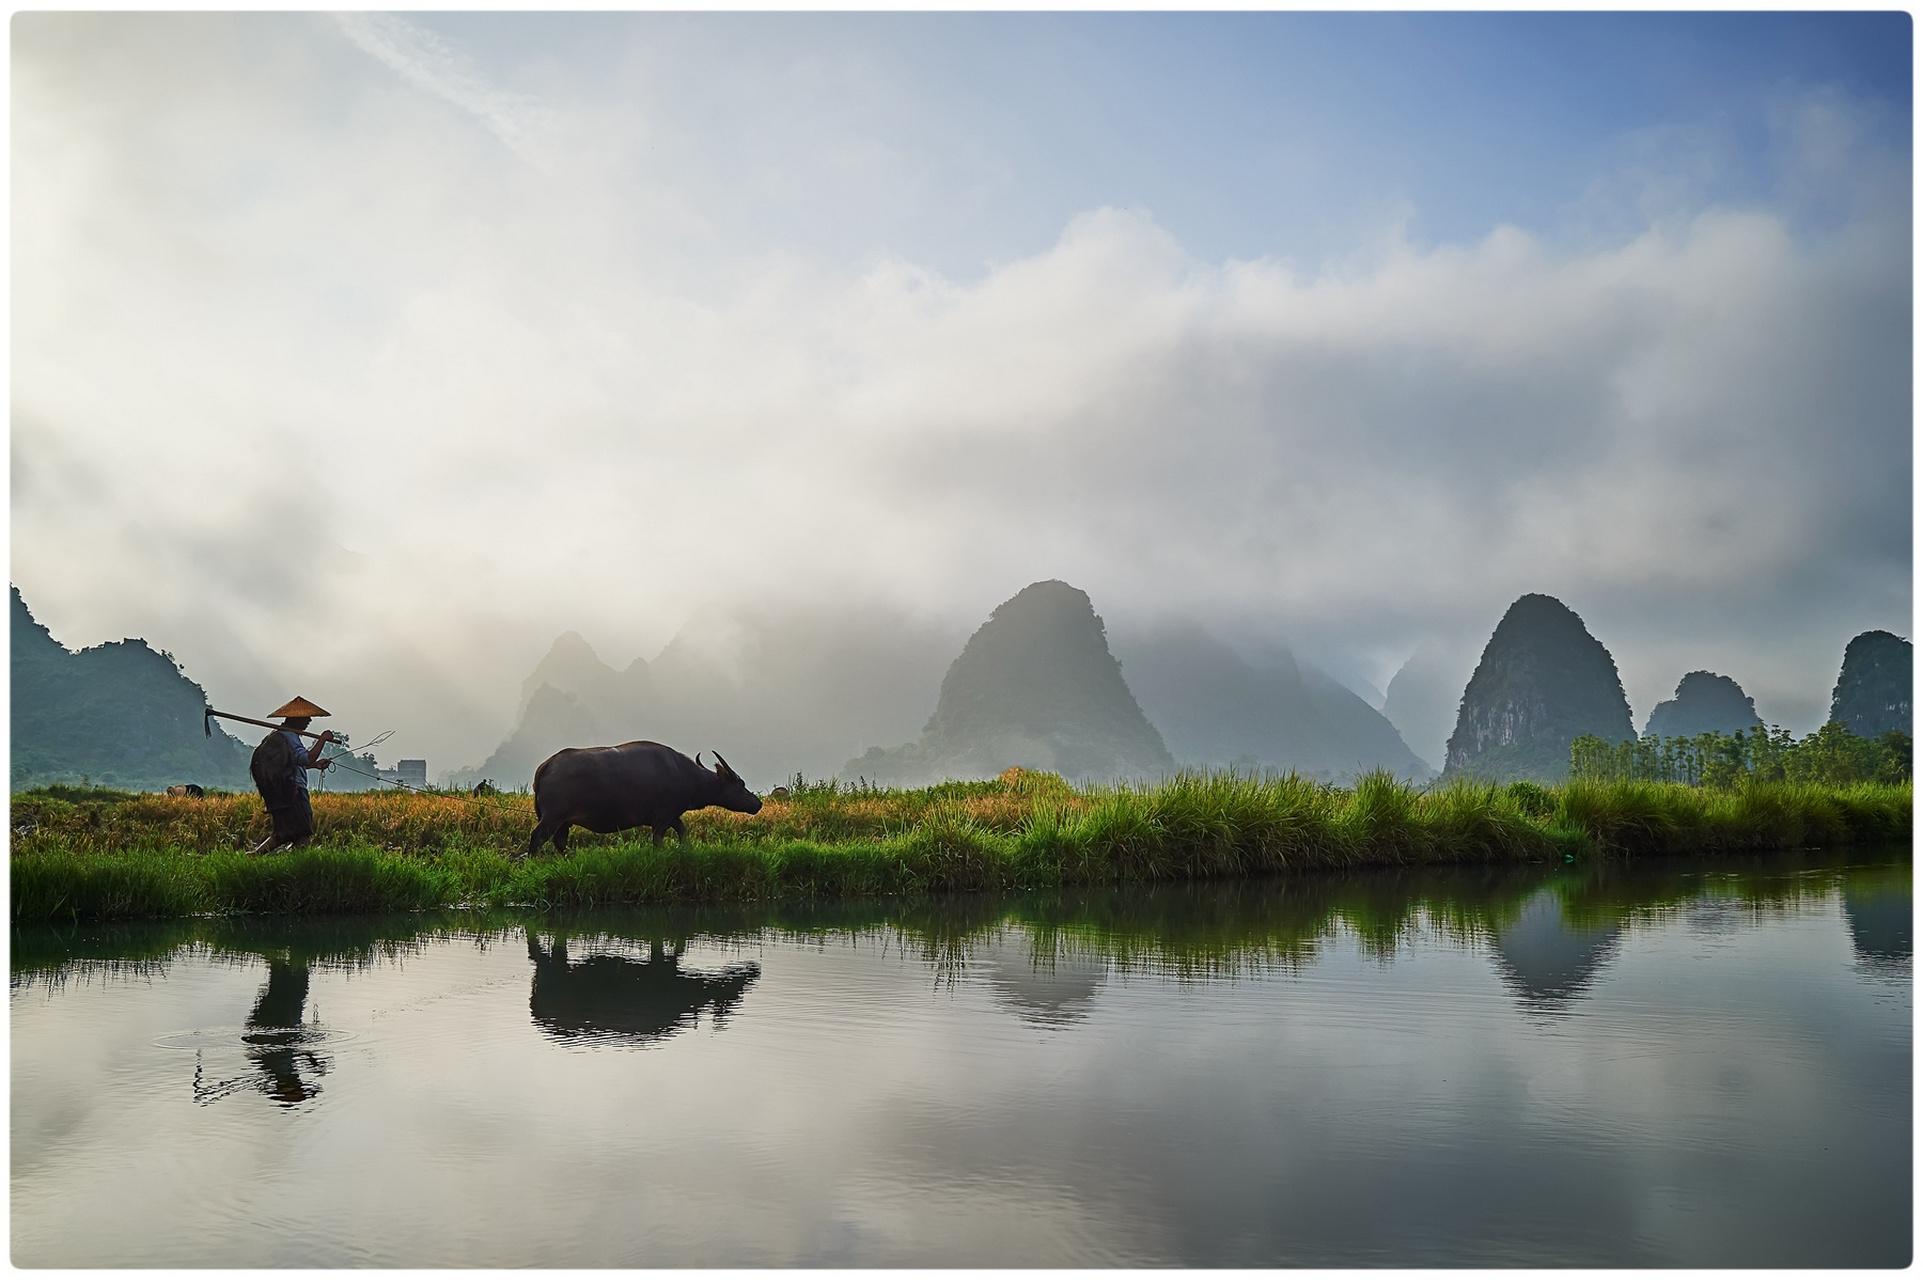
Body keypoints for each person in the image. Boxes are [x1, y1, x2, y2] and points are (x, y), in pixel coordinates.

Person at [249, 697, 336, 854]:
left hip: (284, 791)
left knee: (283, 833)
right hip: (294, 792)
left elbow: (292, 764)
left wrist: (315, 765)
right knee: (303, 832)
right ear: (297, 720)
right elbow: (307, 758)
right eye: (306, 718)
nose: (308, 721)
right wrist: (322, 740)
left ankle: (255, 856)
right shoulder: (289, 737)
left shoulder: (279, 736)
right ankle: (300, 865)